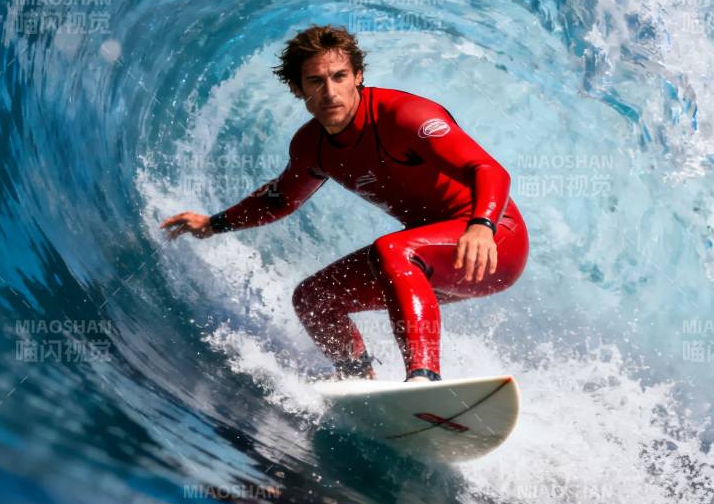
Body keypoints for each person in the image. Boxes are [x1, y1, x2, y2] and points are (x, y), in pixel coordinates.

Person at [161, 24, 528, 382]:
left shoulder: (405, 117)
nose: (330, 92)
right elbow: (280, 199)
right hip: (430, 257)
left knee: (393, 250)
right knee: (314, 298)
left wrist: (481, 226)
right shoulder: (310, 146)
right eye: (316, 81)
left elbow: (489, 170)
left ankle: (424, 379)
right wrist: (213, 224)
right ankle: (359, 380)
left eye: (339, 77)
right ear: (297, 88)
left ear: (358, 76)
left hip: (495, 242)